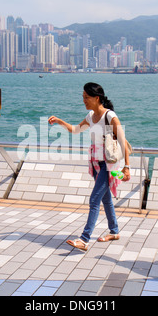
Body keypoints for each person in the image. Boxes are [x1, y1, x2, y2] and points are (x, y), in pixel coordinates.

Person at [48, 82, 131, 251]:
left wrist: (127, 167)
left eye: (87, 97)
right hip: (95, 163)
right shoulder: (90, 116)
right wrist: (59, 121)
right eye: (83, 97)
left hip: (109, 164)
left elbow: (122, 141)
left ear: (97, 98)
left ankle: (84, 239)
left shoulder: (110, 116)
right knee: (105, 199)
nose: (84, 100)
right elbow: (75, 130)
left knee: (94, 199)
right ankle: (114, 231)